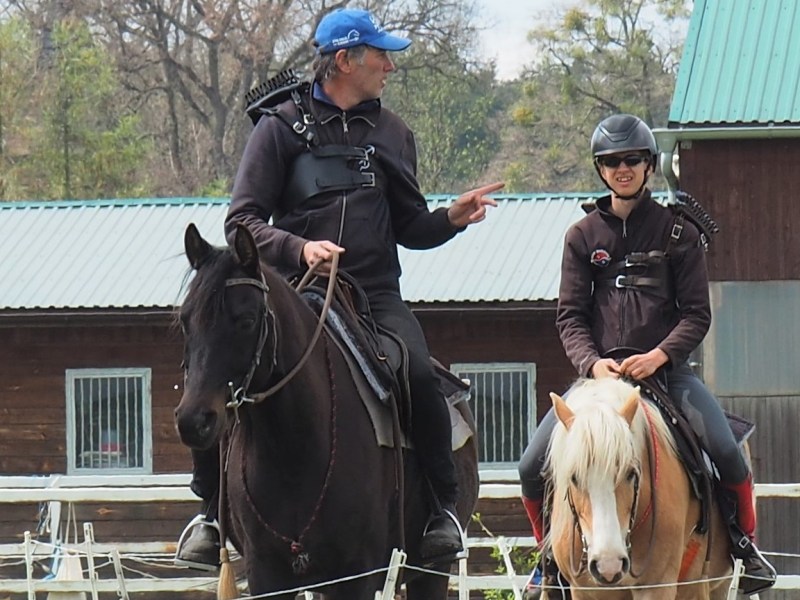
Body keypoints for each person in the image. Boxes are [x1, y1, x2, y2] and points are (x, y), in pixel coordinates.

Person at [174, 7, 503, 570]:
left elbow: (410, 227)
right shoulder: (278, 128)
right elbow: (241, 222)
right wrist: (299, 250)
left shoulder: (394, 133)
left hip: (374, 297)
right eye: (381, 57)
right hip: (293, 293)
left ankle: (441, 512)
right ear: (346, 60)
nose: (389, 68)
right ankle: (210, 512)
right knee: (217, 362)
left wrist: (450, 218)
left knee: (418, 373)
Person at [517, 114, 776, 597]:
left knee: (725, 450)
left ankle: (745, 545)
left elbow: (696, 314)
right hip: (599, 380)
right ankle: (548, 559)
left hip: (667, 375)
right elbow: (570, 317)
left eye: (632, 159)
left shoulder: (679, 232)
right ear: (600, 169)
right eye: (612, 161)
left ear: (649, 165)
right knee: (531, 463)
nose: (623, 168)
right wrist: (592, 364)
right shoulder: (581, 236)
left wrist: (659, 355)